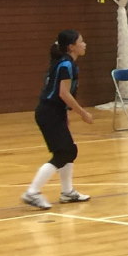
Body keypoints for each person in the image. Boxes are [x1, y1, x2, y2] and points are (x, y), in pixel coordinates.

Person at [22, 29, 95, 210]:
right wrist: (83, 113)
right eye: (81, 41)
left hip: (54, 112)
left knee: (69, 150)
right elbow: (63, 94)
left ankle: (67, 192)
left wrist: (65, 114)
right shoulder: (66, 65)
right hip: (49, 113)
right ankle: (32, 192)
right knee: (63, 153)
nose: (84, 44)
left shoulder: (65, 63)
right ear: (71, 47)